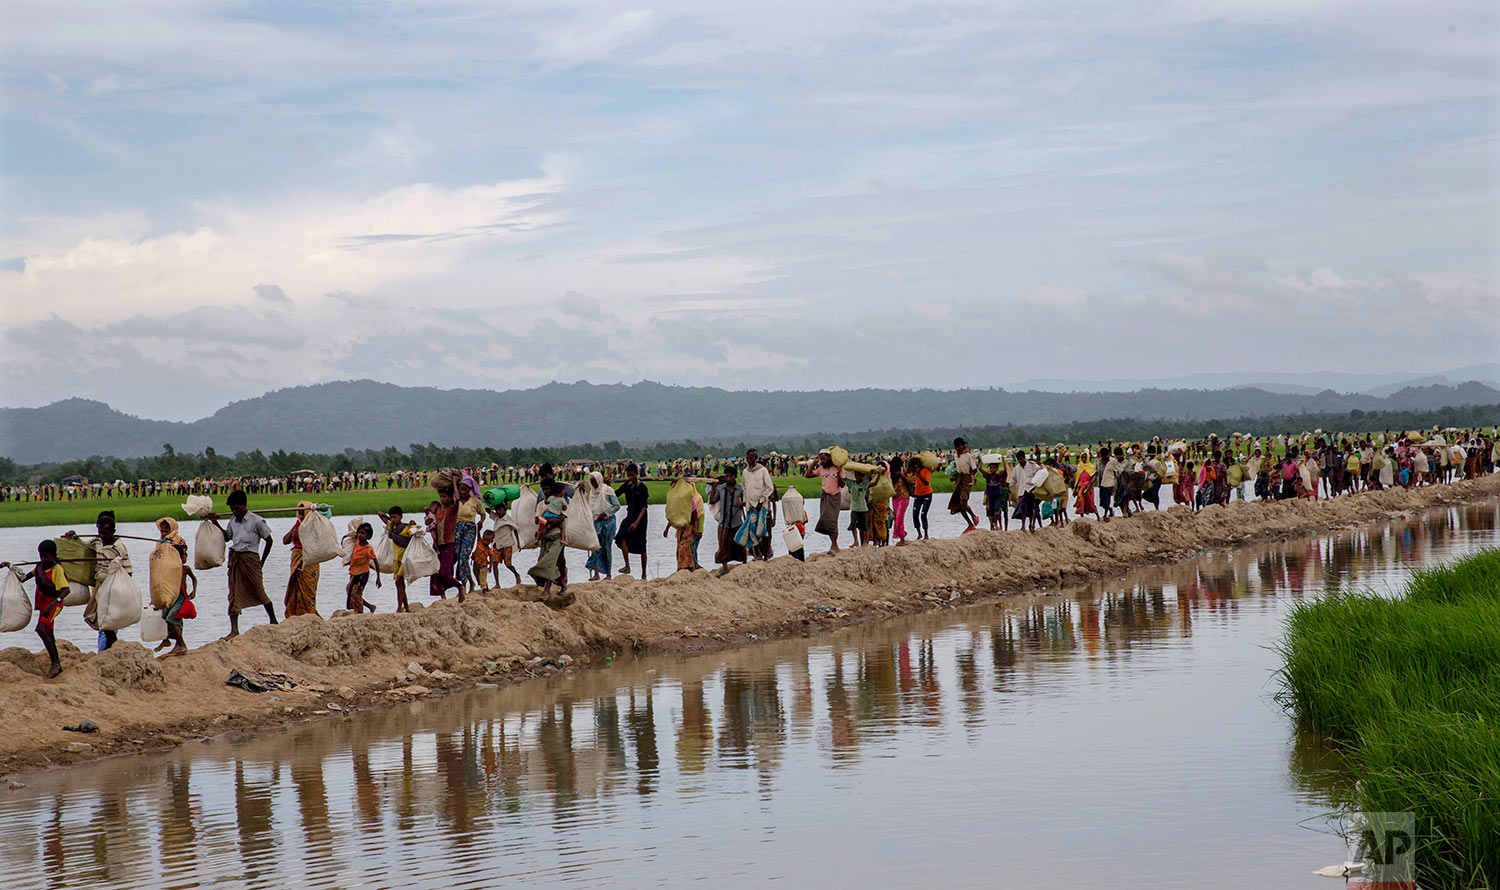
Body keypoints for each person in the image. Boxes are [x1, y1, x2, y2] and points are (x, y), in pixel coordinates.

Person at [211, 489, 277, 639]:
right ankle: (234, 630)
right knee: (233, 594)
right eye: (232, 509)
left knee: (258, 590)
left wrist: (262, 561)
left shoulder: (256, 521)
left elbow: (269, 541)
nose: (234, 512)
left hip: (251, 559)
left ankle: (273, 620)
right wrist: (215, 522)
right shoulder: (232, 521)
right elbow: (227, 537)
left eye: (236, 508)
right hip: (235, 558)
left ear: (243, 505)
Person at [2, 540, 69, 677]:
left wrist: (53, 603)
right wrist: (10, 566)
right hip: (44, 604)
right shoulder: (39, 568)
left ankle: (55, 663)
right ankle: (57, 665)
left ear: (54, 556)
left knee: (41, 629)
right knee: (49, 633)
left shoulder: (57, 570)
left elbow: (66, 590)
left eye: (46, 557)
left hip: (53, 604)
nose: (43, 559)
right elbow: (24, 578)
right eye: (41, 556)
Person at [68, 510, 131, 651]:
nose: (103, 536)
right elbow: (83, 547)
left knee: (107, 619)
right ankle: (108, 648)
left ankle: (106, 650)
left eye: (106, 533)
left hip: (114, 585)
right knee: (100, 617)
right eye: (100, 532)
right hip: (100, 585)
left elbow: (128, 571)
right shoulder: (97, 541)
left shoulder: (119, 548)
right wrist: (74, 537)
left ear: (113, 531)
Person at [153, 517, 197, 657]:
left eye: (167, 530)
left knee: (174, 617)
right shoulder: (160, 542)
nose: (164, 533)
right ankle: (168, 640)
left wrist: (171, 551)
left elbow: (183, 558)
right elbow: (157, 560)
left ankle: (181, 644)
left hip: (178, 590)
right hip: (167, 585)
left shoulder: (179, 541)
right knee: (165, 614)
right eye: (162, 530)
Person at [528, 479, 570, 606]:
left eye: (547, 489)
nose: (545, 491)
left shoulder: (561, 502)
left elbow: (560, 519)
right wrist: (548, 522)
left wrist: (546, 522)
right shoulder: (542, 504)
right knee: (543, 561)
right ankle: (562, 585)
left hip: (557, 537)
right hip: (545, 539)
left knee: (550, 562)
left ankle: (546, 590)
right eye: (543, 489)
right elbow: (537, 520)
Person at [281, 501, 321, 618]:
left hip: (310, 559)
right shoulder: (297, 524)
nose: (301, 513)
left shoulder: (313, 524)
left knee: (308, 589)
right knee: (295, 586)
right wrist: (294, 529)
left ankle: (309, 614)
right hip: (297, 558)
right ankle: (295, 614)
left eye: (304, 511)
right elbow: (285, 541)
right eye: (299, 510)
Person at [736, 449, 776, 560]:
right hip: (750, 506)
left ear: (756, 458)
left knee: (762, 530)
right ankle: (757, 554)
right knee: (752, 530)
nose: (750, 460)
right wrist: (745, 501)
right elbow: (744, 487)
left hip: (761, 506)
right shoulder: (745, 472)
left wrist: (761, 501)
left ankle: (767, 552)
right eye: (748, 458)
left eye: (752, 457)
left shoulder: (763, 470)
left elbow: (769, 488)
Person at [710, 467, 748, 575]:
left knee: (740, 544)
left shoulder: (740, 489)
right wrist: (713, 487)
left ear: (735, 477)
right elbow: (712, 500)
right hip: (724, 522)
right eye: (727, 476)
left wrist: (742, 504)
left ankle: (744, 563)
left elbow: (745, 501)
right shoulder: (721, 488)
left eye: (731, 476)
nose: (729, 478)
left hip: (736, 521)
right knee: (723, 545)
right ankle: (725, 567)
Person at [806, 451, 846, 552]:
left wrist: (839, 472)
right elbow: (807, 475)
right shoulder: (821, 469)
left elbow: (842, 485)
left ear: (829, 458)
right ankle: (834, 544)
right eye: (821, 459)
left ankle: (834, 545)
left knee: (832, 520)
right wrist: (813, 463)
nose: (822, 461)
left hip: (835, 496)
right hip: (825, 496)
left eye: (823, 458)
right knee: (825, 520)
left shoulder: (838, 468)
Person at [615, 463, 650, 577]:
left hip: (641, 517)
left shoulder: (642, 487)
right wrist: (606, 486)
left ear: (637, 474)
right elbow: (616, 494)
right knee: (621, 537)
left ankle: (644, 574)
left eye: (632, 475)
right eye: (629, 475)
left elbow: (644, 507)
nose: (630, 478)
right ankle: (627, 566)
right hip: (630, 515)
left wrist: (636, 522)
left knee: (642, 545)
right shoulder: (627, 485)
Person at [377, 506, 415, 611]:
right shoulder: (391, 527)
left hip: (405, 559)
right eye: (391, 517)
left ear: (401, 517)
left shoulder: (407, 528)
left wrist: (413, 525)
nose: (393, 519)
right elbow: (380, 514)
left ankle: (399, 608)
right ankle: (406, 608)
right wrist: (390, 520)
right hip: (396, 560)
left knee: (398, 581)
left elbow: (416, 534)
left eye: (395, 517)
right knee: (400, 584)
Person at [585, 471, 621, 580]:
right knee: (595, 546)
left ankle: (608, 574)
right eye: (592, 483)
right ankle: (596, 574)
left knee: (607, 547)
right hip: (596, 522)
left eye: (595, 482)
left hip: (608, 522)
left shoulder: (607, 491)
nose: (594, 485)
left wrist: (605, 514)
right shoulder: (591, 493)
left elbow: (616, 506)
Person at [455, 476, 485, 596]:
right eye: (460, 489)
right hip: (457, 529)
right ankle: (471, 582)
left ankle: (463, 585)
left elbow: (482, 514)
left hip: (469, 530)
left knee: (464, 557)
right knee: (458, 556)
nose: (462, 492)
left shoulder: (475, 501)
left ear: (469, 489)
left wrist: (481, 522)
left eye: (465, 489)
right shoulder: (455, 500)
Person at [346, 522, 381, 612]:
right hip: (354, 572)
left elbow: (376, 562)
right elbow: (348, 537)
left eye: (363, 533)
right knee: (349, 589)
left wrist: (378, 578)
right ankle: (369, 607)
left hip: (363, 574)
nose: (360, 535)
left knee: (356, 593)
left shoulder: (368, 549)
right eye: (359, 533)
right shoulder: (357, 541)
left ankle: (360, 611)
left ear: (368, 536)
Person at [488, 502, 522, 588]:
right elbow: (487, 511)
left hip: (507, 544)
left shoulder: (508, 519)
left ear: (505, 510)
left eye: (500, 509)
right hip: (497, 544)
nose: (498, 512)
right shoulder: (496, 518)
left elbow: (515, 530)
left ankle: (517, 575)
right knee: (495, 563)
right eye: (496, 510)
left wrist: (518, 543)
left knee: (508, 564)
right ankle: (497, 584)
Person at [949, 437, 980, 532]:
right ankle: (970, 524)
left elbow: (973, 469)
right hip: (959, 478)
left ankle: (974, 516)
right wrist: (953, 477)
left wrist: (972, 480)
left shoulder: (968, 456)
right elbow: (957, 468)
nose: (957, 448)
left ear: (962, 446)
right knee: (958, 505)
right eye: (956, 447)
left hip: (966, 479)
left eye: (959, 446)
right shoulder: (955, 456)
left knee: (963, 501)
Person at [906, 455, 932, 541]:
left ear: (917, 465)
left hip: (927, 494)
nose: (912, 468)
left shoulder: (925, 471)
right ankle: (919, 534)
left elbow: (926, 483)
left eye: (913, 466)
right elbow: (907, 471)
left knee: (923, 514)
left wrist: (918, 474)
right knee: (915, 515)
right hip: (918, 494)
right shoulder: (913, 471)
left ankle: (926, 534)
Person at [888, 458, 911, 545]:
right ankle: (902, 537)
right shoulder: (891, 475)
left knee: (899, 517)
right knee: (897, 518)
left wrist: (902, 475)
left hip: (904, 496)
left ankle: (902, 537)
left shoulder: (904, 471)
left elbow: (911, 480)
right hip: (895, 497)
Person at [845, 469, 870, 547]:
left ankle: (865, 542)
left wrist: (878, 475)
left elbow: (874, 483)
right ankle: (856, 541)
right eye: (855, 475)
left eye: (858, 475)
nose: (857, 477)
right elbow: (845, 478)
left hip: (863, 508)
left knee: (865, 526)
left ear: (862, 476)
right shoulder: (852, 484)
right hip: (854, 508)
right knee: (853, 525)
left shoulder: (864, 484)